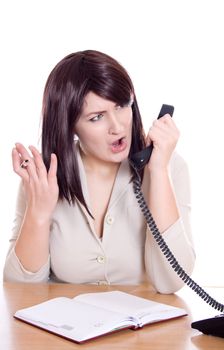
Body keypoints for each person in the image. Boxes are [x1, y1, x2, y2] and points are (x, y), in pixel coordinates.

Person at [3, 50, 195, 293]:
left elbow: (171, 282)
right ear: (70, 125)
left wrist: (157, 171)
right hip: (67, 328)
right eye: (97, 117)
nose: (117, 127)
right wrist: (39, 213)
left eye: (122, 106)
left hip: (142, 328)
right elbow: (19, 291)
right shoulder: (43, 179)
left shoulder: (170, 167)